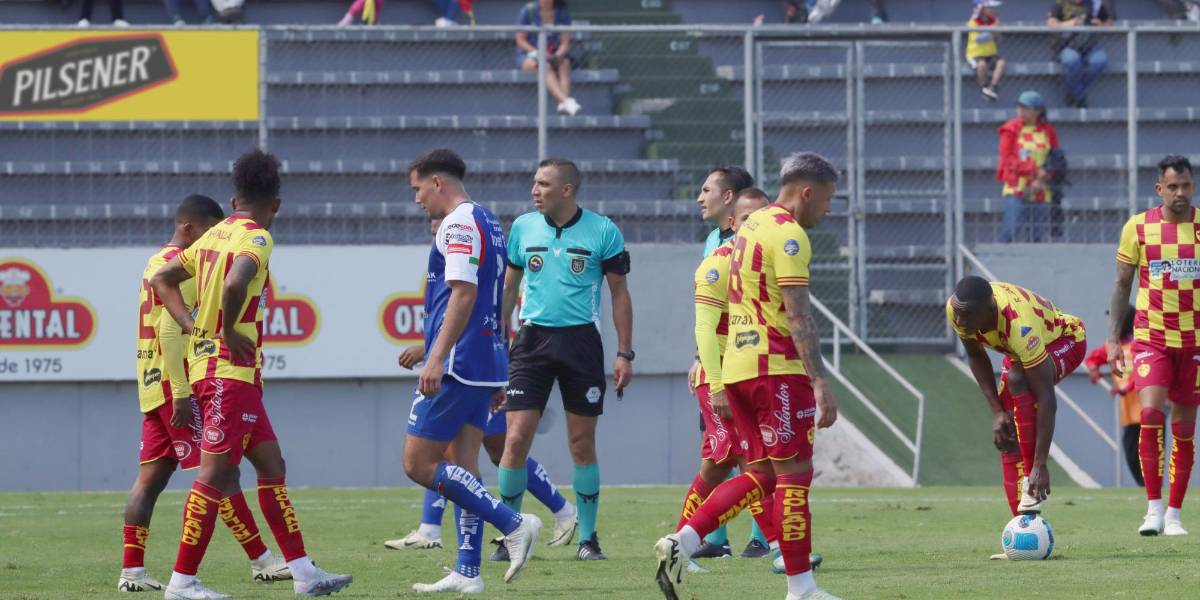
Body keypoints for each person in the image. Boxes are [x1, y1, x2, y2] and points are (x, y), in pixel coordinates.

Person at [151, 151, 352, 600]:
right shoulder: (257, 238)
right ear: (275, 205)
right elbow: (235, 284)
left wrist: (191, 326)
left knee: (271, 465)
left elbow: (163, 279)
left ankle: (303, 572)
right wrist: (224, 329)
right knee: (215, 474)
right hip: (226, 374)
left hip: (230, 374)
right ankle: (181, 582)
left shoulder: (211, 236)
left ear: (233, 196)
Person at [656, 152, 843, 600]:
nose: (830, 209)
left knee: (761, 476)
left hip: (738, 369)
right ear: (807, 192)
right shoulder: (789, 234)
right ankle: (801, 589)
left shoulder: (750, 227)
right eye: (829, 199)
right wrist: (819, 381)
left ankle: (682, 540)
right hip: (775, 369)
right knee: (795, 476)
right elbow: (798, 318)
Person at [120, 195, 291, 593]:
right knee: (220, 472)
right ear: (188, 228)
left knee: (151, 479)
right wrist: (182, 391)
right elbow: (169, 329)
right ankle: (262, 560)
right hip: (174, 381)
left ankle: (132, 571)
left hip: (151, 381)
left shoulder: (156, 261)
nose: (214, 239)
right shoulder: (189, 265)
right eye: (208, 231)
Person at [398, 148, 542, 594]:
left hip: (460, 362)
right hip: (482, 359)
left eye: (418, 189)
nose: (418, 198)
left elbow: (463, 294)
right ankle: (468, 570)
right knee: (464, 466)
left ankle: (514, 522)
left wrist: (436, 356)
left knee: (419, 463)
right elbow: (493, 298)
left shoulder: (459, 222)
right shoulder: (488, 221)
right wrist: (496, 369)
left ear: (437, 182)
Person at [385, 220, 577, 554]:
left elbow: (477, 316)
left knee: (500, 449)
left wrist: (438, 355)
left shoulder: (469, 259)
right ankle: (439, 537)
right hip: (477, 369)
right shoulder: (461, 257)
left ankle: (554, 512)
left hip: (474, 371)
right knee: (456, 453)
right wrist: (427, 350)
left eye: (437, 217)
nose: (433, 223)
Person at [499, 158, 634, 562]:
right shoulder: (523, 227)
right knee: (516, 437)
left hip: (581, 344)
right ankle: (510, 533)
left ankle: (588, 539)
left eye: (543, 183)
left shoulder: (603, 231)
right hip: (531, 342)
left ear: (567, 190)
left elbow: (620, 294)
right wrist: (496, 337)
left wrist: (624, 352)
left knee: (581, 441)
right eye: (534, 182)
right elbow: (509, 288)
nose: (534, 190)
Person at [681, 188, 775, 567]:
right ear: (733, 222)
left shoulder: (764, 266)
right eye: (749, 217)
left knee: (741, 465)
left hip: (751, 375)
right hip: (719, 379)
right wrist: (715, 383)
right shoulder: (716, 265)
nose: (758, 224)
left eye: (764, 216)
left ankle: (778, 546)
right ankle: (681, 541)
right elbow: (704, 330)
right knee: (737, 463)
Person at [947, 277, 1086, 531]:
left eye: (966, 316)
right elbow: (976, 355)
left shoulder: (1020, 326)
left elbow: (1046, 398)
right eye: (957, 314)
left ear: (989, 311)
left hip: (1066, 340)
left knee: (1018, 378)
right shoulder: (957, 309)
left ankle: (1031, 482)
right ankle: (1023, 530)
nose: (959, 322)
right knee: (1007, 431)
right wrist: (998, 412)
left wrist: (1040, 465)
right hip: (1018, 355)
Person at [1108, 154, 1200, 536]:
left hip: (1194, 341)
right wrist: (1114, 339)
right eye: (1173, 186)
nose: (1180, 193)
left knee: (1184, 428)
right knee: (1149, 416)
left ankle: (1175, 515)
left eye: (1186, 186)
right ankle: (1153, 509)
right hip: (1153, 338)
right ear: (1159, 188)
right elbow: (1122, 284)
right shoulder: (1138, 227)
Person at [1085, 306, 1143, 486]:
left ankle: (1152, 491)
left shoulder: (1141, 343)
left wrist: (1126, 387)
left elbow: (1144, 370)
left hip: (1150, 408)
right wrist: (1094, 369)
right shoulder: (1114, 345)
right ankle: (1146, 489)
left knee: (1151, 453)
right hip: (1129, 412)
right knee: (1132, 454)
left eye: (1116, 319)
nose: (1112, 324)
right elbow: (1093, 358)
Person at [996, 91, 1060, 243]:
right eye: (1019, 107)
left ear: (1037, 111)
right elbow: (1007, 159)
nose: (1021, 111)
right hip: (1016, 186)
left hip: (1041, 187)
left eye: (1026, 108)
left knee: (1038, 234)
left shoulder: (1048, 131)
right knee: (1011, 228)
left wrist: (1045, 176)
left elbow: (1056, 157)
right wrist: (1034, 170)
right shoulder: (1010, 129)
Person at [515, 0, 581, 116]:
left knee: (564, 63)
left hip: (553, 53)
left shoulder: (563, 12)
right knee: (545, 66)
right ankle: (566, 100)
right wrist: (538, 52)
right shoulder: (528, 10)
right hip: (529, 54)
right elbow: (520, 40)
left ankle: (562, 106)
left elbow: (565, 43)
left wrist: (557, 55)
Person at [1047, 0, 1113, 108]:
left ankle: (1072, 91)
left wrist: (1102, 25)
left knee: (1100, 60)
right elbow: (1051, 23)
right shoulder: (1060, 3)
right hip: (1067, 45)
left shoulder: (1094, 3)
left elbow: (1109, 21)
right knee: (1072, 60)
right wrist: (1068, 24)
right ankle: (1080, 97)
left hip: (1089, 45)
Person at [967, 0, 1006, 102]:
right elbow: (979, 40)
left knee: (1001, 63)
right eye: (990, 8)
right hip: (975, 54)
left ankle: (993, 87)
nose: (993, 10)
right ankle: (984, 87)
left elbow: (999, 39)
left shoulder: (993, 21)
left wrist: (998, 31)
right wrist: (994, 29)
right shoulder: (973, 22)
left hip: (990, 54)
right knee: (981, 65)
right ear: (981, 9)